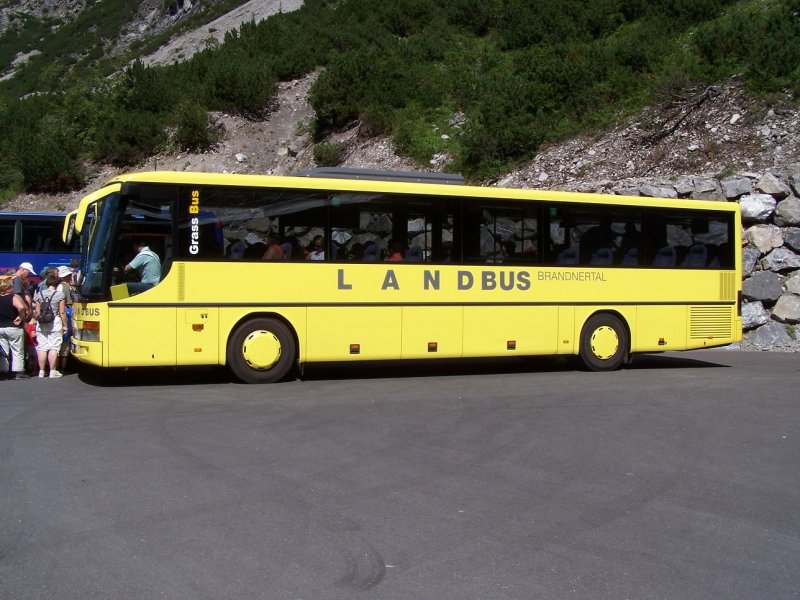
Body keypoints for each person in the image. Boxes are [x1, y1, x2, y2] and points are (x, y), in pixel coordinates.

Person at [33, 271, 67, 378]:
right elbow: (62, 312)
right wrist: (65, 325)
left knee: (42, 347)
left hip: (41, 322)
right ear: (57, 284)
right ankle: (53, 371)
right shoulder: (60, 295)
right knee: (54, 347)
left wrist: (36, 321)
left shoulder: (39, 294)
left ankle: (41, 371)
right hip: (54, 322)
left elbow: (37, 311)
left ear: (47, 283)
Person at [0, 275, 29, 380]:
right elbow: (21, 307)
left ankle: (3, 371)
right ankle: (18, 371)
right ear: (8, 287)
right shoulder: (13, 297)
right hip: (13, 326)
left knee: (4, 350)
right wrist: (21, 317)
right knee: (17, 350)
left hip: (1, 327)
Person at [56, 266, 74, 373]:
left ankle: (58, 366)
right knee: (65, 341)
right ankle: (63, 367)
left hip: (62, 314)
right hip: (66, 313)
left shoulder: (59, 286)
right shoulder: (65, 287)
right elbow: (67, 303)